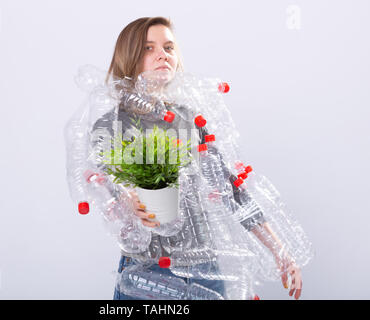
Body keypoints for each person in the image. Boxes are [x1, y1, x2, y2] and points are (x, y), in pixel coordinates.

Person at [90, 17, 303, 300]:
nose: (162, 54)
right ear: (129, 57)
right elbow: (104, 181)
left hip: (205, 270)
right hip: (148, 273)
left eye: (169, 47)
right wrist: (127, 198)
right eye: (148, 48)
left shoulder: (190, 120)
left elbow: (231, 189)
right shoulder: (111, 124)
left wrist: (280, 250)